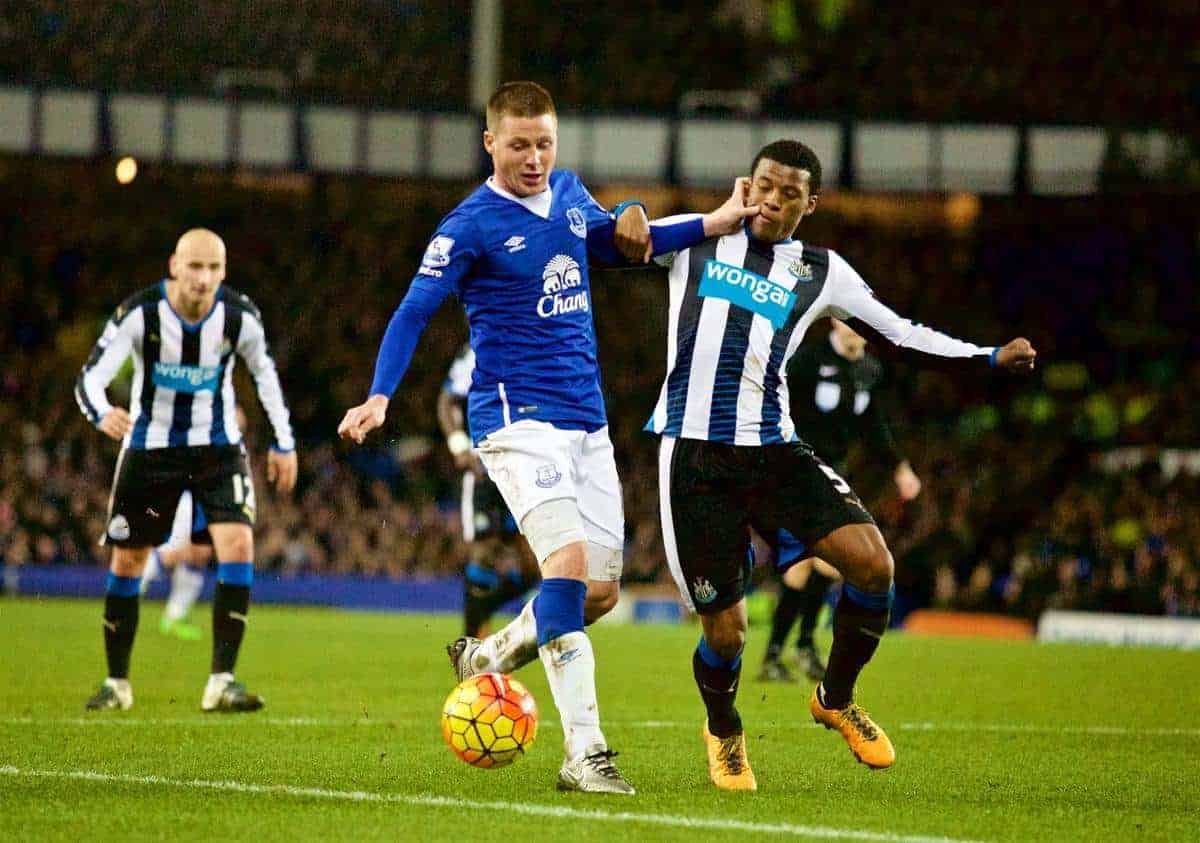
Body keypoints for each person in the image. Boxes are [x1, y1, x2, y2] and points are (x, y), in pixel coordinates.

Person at [338, 81, 757, 794]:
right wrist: (381, 393)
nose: (533, 158)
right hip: (514, 421)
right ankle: (585, 752)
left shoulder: (566, 192)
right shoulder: (467, 226)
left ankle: (492, 652)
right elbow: (413, 311)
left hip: (586, 422)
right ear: (490, 143)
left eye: (544, 143)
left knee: (598, 592)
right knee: (564, 568)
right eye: (519, 144)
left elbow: (625, 242)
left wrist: (712, 222)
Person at [645, 140, 1036, 790]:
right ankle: (723, 727)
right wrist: (658, 214)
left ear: (811, 202)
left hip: (773, 450)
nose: (772, 200)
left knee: (873, 562)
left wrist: (986, 356)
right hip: (694, 456)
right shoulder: (698, 241)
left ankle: (834, 695)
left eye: (789, 192)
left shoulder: (821, 270)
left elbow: (901, 330)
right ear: (749, 183)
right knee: (727, 633)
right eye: (765, 185)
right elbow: (621, 236)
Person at [75, 228, 298, 712]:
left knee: (238, 543)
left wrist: (284, 442)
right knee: (129, 561)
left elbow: (265, 376)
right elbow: (90, 377)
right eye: (195, 267)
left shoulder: (240, 318)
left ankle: (222, 681)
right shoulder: (141, 315)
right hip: (151, 448)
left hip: (217, 449)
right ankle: (117, 683)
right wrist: (101, 412)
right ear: (174, 266)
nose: (204, 278)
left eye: (214, 269)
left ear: (224, 272)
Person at [759, 318, 921, 683]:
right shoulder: (808, 361)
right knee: (808, 564)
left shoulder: (870, 370)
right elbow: (776, 406)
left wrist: (900, 468)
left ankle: (793, 648)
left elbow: (873, 425)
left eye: (862, 326)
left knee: (826, 566)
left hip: (835, 475)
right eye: (849, 324)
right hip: (796, 472)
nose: (856, 332)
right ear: (834, 321)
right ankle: (784, 651)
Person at [437, 343, 539, 637]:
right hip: (484, 468)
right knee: (483, 551)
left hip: (523, 468)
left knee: (533, 567)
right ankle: (471, 644)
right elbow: (446, 401)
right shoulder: (477, 350)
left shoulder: (534, 345)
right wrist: (458, 445)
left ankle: (482, 612)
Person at [140, 490, 213, 641]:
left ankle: (173, 618)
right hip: (190, 500)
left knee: (191, 560)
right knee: (190, 556)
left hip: (183, 496)